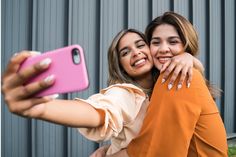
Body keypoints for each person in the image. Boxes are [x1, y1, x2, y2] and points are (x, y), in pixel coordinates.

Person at [2, 29, 203, 156]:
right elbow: (100, 111)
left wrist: (188, 58)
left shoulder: (167, 83)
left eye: (141, 45)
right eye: (125, 52)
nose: (135, 53)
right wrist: (42, 108)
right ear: (121, 66)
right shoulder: (126, 94)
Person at [104, 11, 227, 157]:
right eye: (156, 42)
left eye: (173, 42)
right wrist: (108, 149)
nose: (163, 49)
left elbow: (152, 150)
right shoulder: (168, 80)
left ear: (187, 45)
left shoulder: (177, 78)